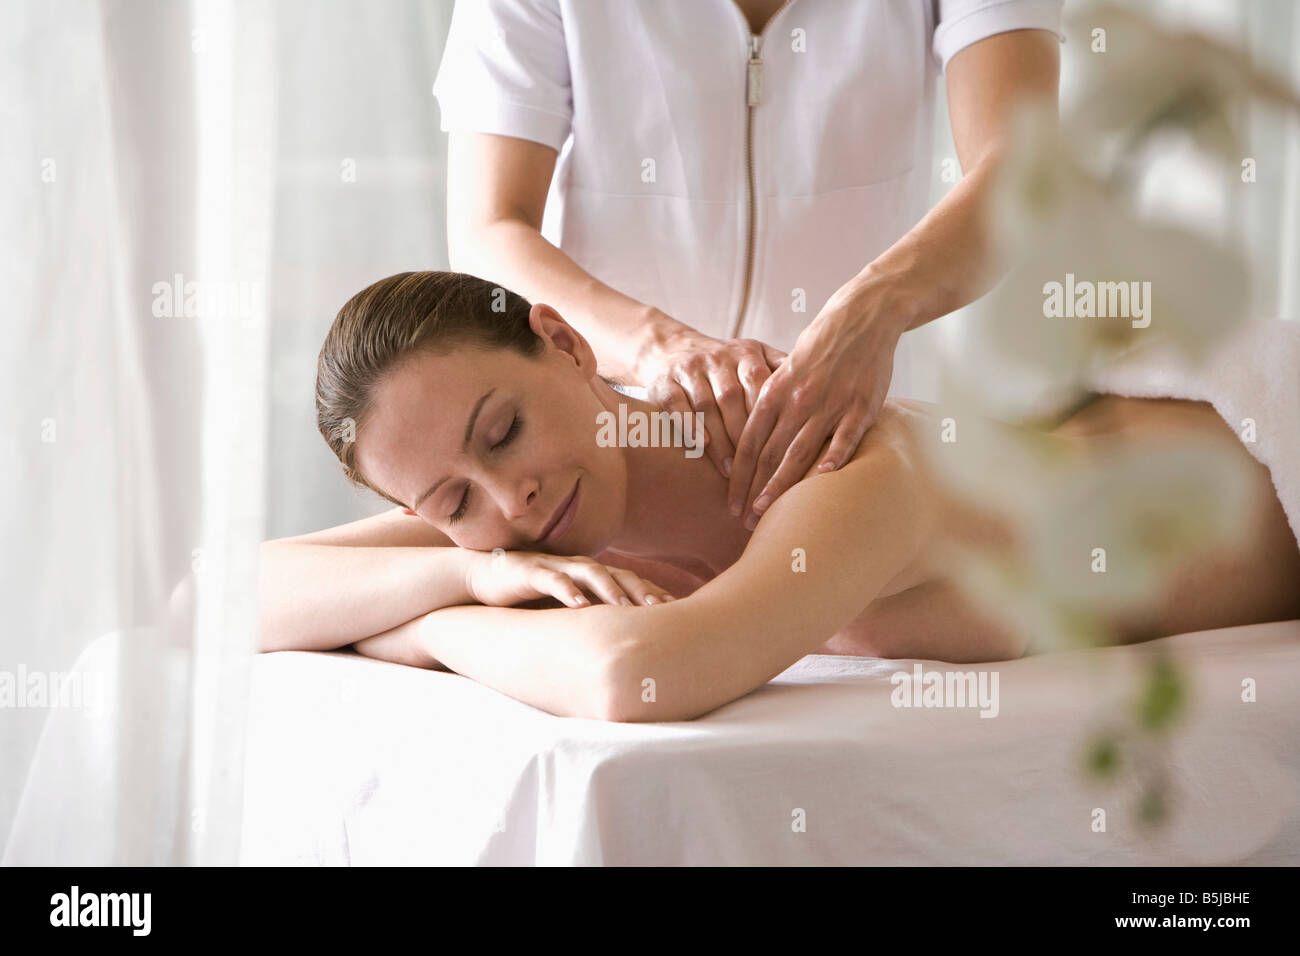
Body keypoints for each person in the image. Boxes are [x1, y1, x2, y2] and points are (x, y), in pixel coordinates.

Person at [257, 272, 1300, 722]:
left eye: (502, 430)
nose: (508, 495)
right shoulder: (520, 522)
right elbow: (219, 593)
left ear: (568, 344)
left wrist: (429, 625)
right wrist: (460, 565)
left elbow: (638, 677)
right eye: (450, 499)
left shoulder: (835, 467)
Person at [432, 0, 1063, 531]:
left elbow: (1023, 169)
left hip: (853, 445)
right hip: (619, 453)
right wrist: (661, 350)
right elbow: (487, 229)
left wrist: (876, 308)